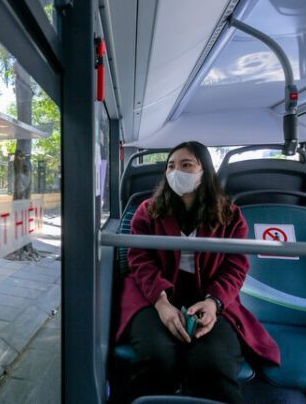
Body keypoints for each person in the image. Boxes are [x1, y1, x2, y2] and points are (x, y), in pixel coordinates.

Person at [116, 141, 280, 403]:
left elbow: (235, 266)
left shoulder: (230, 217)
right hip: (153, 295)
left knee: (212, 362)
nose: (176, 172)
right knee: (157, 357)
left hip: (210, 295)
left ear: (205, 171)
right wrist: (162, 304)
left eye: (186, 165)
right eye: (171, 166)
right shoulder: (147, 211)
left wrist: (214, 303)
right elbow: (140, 260)